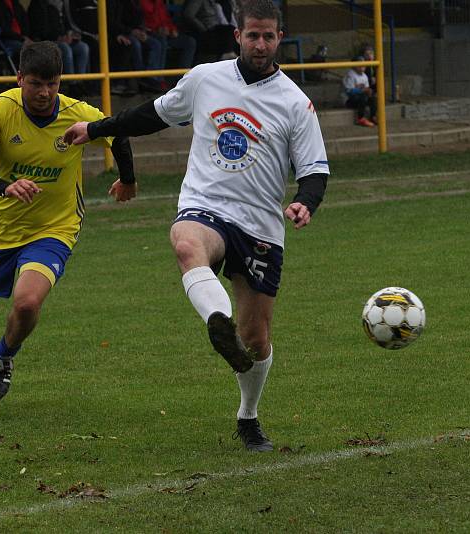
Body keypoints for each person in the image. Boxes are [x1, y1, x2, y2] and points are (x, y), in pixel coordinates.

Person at [63, 0, 329, 452]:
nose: (260, 43)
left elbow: (315, 170)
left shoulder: (295, 103)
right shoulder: (206, 78)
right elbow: (153, 113)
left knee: (256, 340)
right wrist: (96, 129)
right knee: (186, 243)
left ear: (279, 38)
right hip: (206, 204)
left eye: (268, 36)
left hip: (260, 224)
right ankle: (216, 318)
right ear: (237, 36)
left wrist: (305, 201)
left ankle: (248, 415)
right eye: (252, 35)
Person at [0, 41, 136, 409]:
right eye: (36, 83)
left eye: (52, 83)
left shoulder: (76, 113)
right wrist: (6, 186)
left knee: (26, 304)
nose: (45, 92)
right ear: (19, 78)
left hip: (54, 228)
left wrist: (128, 179)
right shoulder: (2, 109)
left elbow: (117, 131)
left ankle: (4, 355)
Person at [27, 0, 89, 97]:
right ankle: (72, 84)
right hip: (46, 42)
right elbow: (40, 31)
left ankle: (80, 82)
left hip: (61, 40)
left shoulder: (58, 7)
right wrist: (59, 38)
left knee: (82, 47)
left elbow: (64, 26)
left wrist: (69, 35)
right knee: (65, 48)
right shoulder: (37, 6)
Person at [141, 0, 197, 75]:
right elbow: (146, 21)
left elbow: (167, 19)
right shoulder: (143, 2)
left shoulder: (159, 2)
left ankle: (183, 76)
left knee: (190, 42)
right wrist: (159, 29)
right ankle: (157, 77)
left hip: (166, 34)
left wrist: (172, 29)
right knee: (161, 40)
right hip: (151, 34)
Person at [341, 57, 376, 127]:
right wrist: (362, 90)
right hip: (348, 100)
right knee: (362, 97)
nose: (362, 67)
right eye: (359, 64)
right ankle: (361, 118)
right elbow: (349, 91)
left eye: (363, 64)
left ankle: (373, 117)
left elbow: (366, 89)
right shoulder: (350, 75)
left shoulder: (364, 76)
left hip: (360, 99)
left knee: (373, 98)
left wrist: (369, 92)